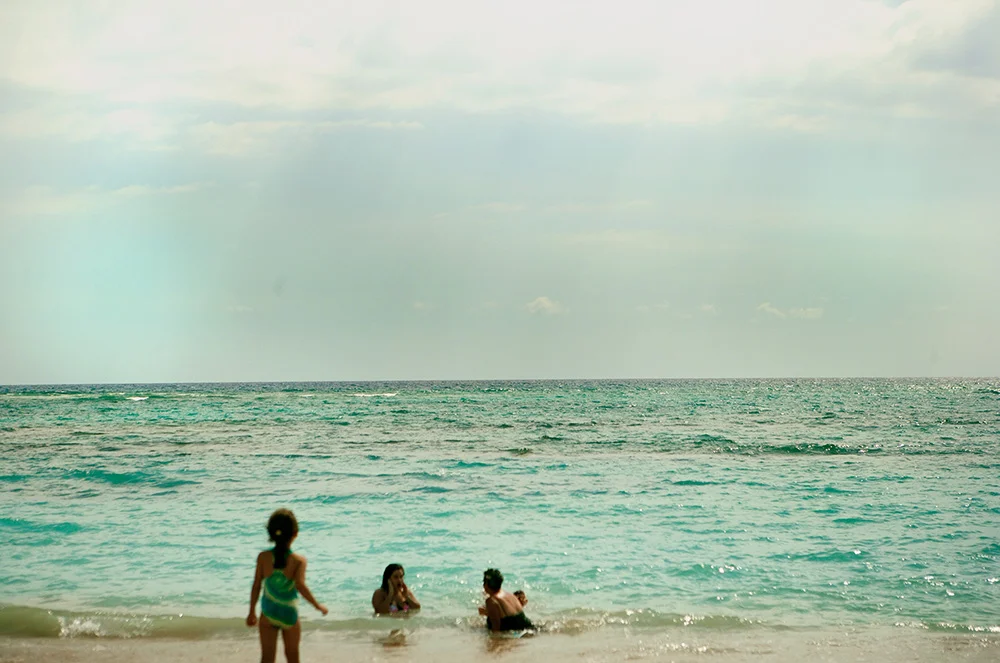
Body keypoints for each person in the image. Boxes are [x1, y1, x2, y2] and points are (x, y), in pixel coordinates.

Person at [247, 509, 328, 663]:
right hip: (289, 614)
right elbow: (300, 586)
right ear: (295, 533)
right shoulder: (298, 560)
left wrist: (251, 612)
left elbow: (256, 585)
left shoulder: (263, 558)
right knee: (292, 657)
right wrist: (317, 606)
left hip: (268, 614)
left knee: (267, 658)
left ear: (271, 533)